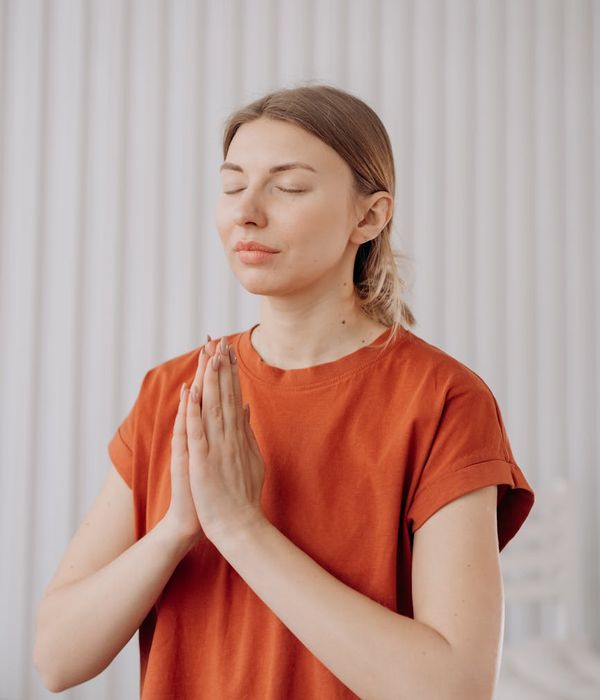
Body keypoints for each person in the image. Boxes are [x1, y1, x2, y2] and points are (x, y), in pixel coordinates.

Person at [33, 83, 535, 699]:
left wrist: (242, 526)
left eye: (288, 187)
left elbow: (453, 689)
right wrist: (178, 529)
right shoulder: (174, 392)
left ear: (370, 216)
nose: (247, 211)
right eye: (232, 185)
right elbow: (56, 659)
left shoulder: (442, 399)